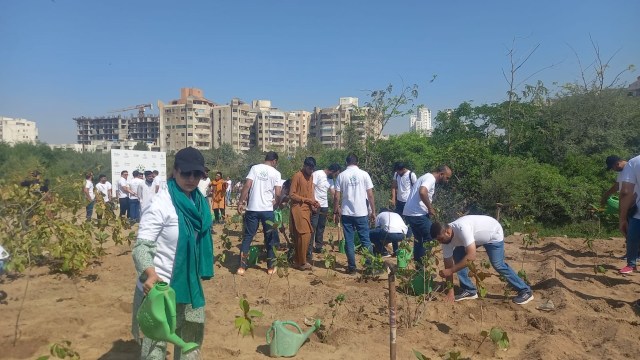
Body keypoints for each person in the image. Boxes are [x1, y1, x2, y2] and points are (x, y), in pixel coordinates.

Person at [131, 146, 213, 359]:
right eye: (186, 173)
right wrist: (149, 274)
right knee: (155, 348)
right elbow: (142, 247)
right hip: (160, 288)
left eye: (198, 174)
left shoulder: (200, 203)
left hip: (189, 285)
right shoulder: (160, 203)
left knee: (190, 344)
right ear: (175, 171)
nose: (192, 179)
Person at [431, 215, 534, 305]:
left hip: (492, 233)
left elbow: (471, 256)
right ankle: (469, 290)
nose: (440, 242)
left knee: (498, 264)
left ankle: (525, 291)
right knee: (458, 255)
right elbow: (448, 266)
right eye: (438, 240)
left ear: (448, 232)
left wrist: (451, 270)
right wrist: (450, 292)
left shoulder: (462, 228)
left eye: (441, 239)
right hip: (475, 237)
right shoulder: (446, 241)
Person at [237, 152, 282, 275]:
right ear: (274, 161)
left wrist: (241, 202)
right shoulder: (276, 173)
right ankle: (271, 268)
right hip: (267, 210)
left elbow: (247, 186)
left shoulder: (255, 168)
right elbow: (278, 193)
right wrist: (276, 204)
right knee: (270, 238)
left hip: (252, 209)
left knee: (248, 237)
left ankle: (241, 267)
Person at [333, 154, 376, 275]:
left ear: (346, 162)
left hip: (347, 213)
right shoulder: (364, 174)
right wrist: (373, 211)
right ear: (357, 162)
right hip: (362, 212)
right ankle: (369, 267)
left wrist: (335, 210)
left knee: (349, 241)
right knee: (366, 241)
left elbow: (337, 196)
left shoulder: (341, 176)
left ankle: (352, 268)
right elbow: (370, 195)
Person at [403, 165, 452, 263]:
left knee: (419, 239)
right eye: (447, 178)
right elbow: (422, 192)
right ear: (441, 174)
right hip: (417, 214)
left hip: (410, 213)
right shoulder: (430, 178)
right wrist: (430, 208)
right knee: (431, 236)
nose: (447, 181)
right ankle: (423, 265)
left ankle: (419, 267)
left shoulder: (425, 176)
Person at [289, 157, 320, 270]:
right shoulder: (297, 176)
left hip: (307, 210)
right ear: (304, 166)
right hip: (297, 209)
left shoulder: (311, 177)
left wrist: (313, 203)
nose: (311, 171)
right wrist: (307, 200)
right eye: (309, 168)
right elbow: (292, 195)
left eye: (313, 169)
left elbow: (310, 193)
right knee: (304, 234)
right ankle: (302, 262)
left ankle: (298, 261)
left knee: (303, 236)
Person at [308, 163, 341, 257]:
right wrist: (313, 202)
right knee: (313, 226)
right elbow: (312, 187)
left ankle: (318, 246)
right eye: (335, 174)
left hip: (324, 206)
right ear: (332, 171)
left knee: (321, 227)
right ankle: (309, 249)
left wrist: (338, 205)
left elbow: (333, 192)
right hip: (316, 205)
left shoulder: (330, 179)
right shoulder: (318, 174)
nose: (335, 176)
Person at [618, 155, 640, 274]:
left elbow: (626, 191)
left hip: (638, 212)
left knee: (632, 236)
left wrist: (622, 219)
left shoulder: (634, 162)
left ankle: (631, 264)